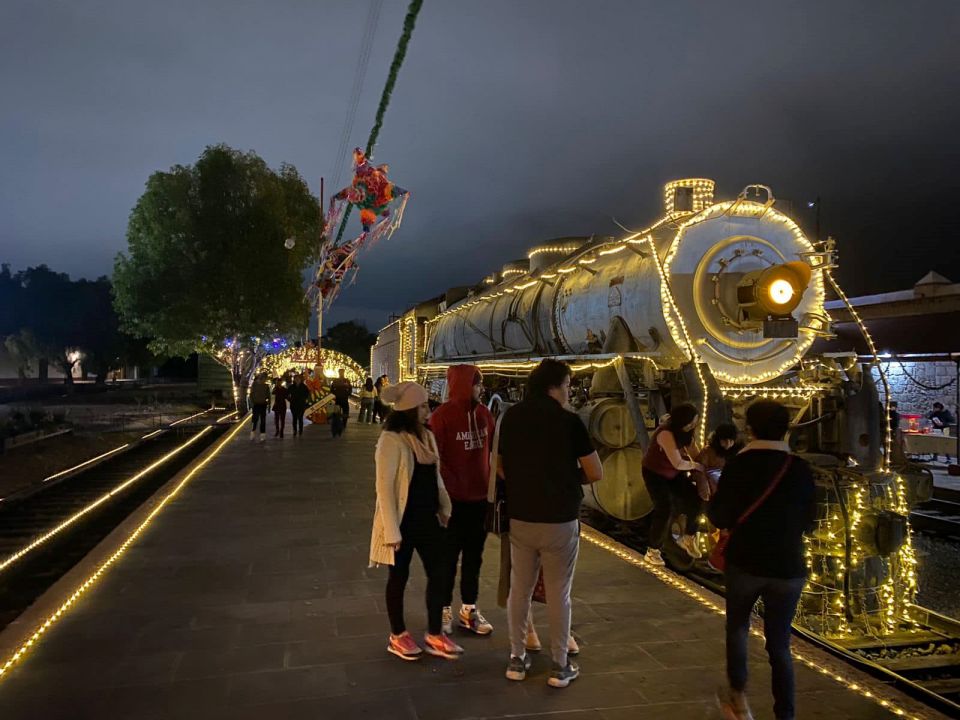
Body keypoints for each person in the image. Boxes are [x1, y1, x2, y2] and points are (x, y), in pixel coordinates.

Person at [498, 359, 603, 688]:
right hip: (560, 519)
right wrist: (565, 477)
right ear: (554, 386)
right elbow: (595, 471)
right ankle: (559, 666)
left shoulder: (510, 417)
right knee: (560, 593)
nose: (569, 391)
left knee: (520, 590)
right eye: (568, 385)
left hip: (521, 516)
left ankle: (516, 660)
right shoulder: (569, 422)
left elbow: (499, 466)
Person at [708, 400, 816, 720]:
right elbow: (811, 521)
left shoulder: (738, 466)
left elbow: (720, 515)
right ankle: (785, 713)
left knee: (739, 627)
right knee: (780, 645)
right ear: (786, 429)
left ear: (750, 428)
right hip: (788, 567)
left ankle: (738, 698)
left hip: (746, 562)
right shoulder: (799, 467)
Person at [369, 381, 463, 661]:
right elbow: (384, 488)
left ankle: (435, 633)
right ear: (409, 409)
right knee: (398, 577)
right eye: (422, 405)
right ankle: (397, 635)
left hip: (427, 518)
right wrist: (392, 532)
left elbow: (435, 476)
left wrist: (445, 506)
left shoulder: (426, 436)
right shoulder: (391, 440)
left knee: (440, 572)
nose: (427, 410)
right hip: (402, 521)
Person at [430, 365, 496, 636]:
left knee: (474, 558)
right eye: (477, 384)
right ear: (463, 385)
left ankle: (469, 608)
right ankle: (443, 609)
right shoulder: (441, 418)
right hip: (451, 502)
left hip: (479, 500)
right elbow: (433, 461)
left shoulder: (484, 415)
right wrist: (437, 501)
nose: (481, 389)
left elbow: (492, 450)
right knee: (447, 559)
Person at [641, 403, 704, 565]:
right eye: (690, 422)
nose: (692, 425)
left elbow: (696, 454)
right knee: (664, 507)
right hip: (655, 473)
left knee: (697, 497)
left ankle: (688, 537)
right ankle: (653, 550)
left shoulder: (687, 434)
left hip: (673, 474)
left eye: (694, 422)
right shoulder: (665, 433)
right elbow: (677, 463)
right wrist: (696, 466)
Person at [697, 423, 743, 497]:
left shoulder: (740, 452)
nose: (728, 443)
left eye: (730, 440)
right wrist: (704, 486)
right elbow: (699, 469)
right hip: (713, 490)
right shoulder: (708, 451)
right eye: (724, 440)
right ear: (718, 439)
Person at [249, 373, 270, 443]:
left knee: (263, 420)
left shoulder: (266, 386)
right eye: (264, 378)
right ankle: (252, 433)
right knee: (255, 420)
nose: (265, 380)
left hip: (263, 404)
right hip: (256, 404)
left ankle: (262, 435)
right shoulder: (254, 384)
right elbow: (251, 394)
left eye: (265, 378)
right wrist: (252, 403)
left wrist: (268, 404)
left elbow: (268, 396)